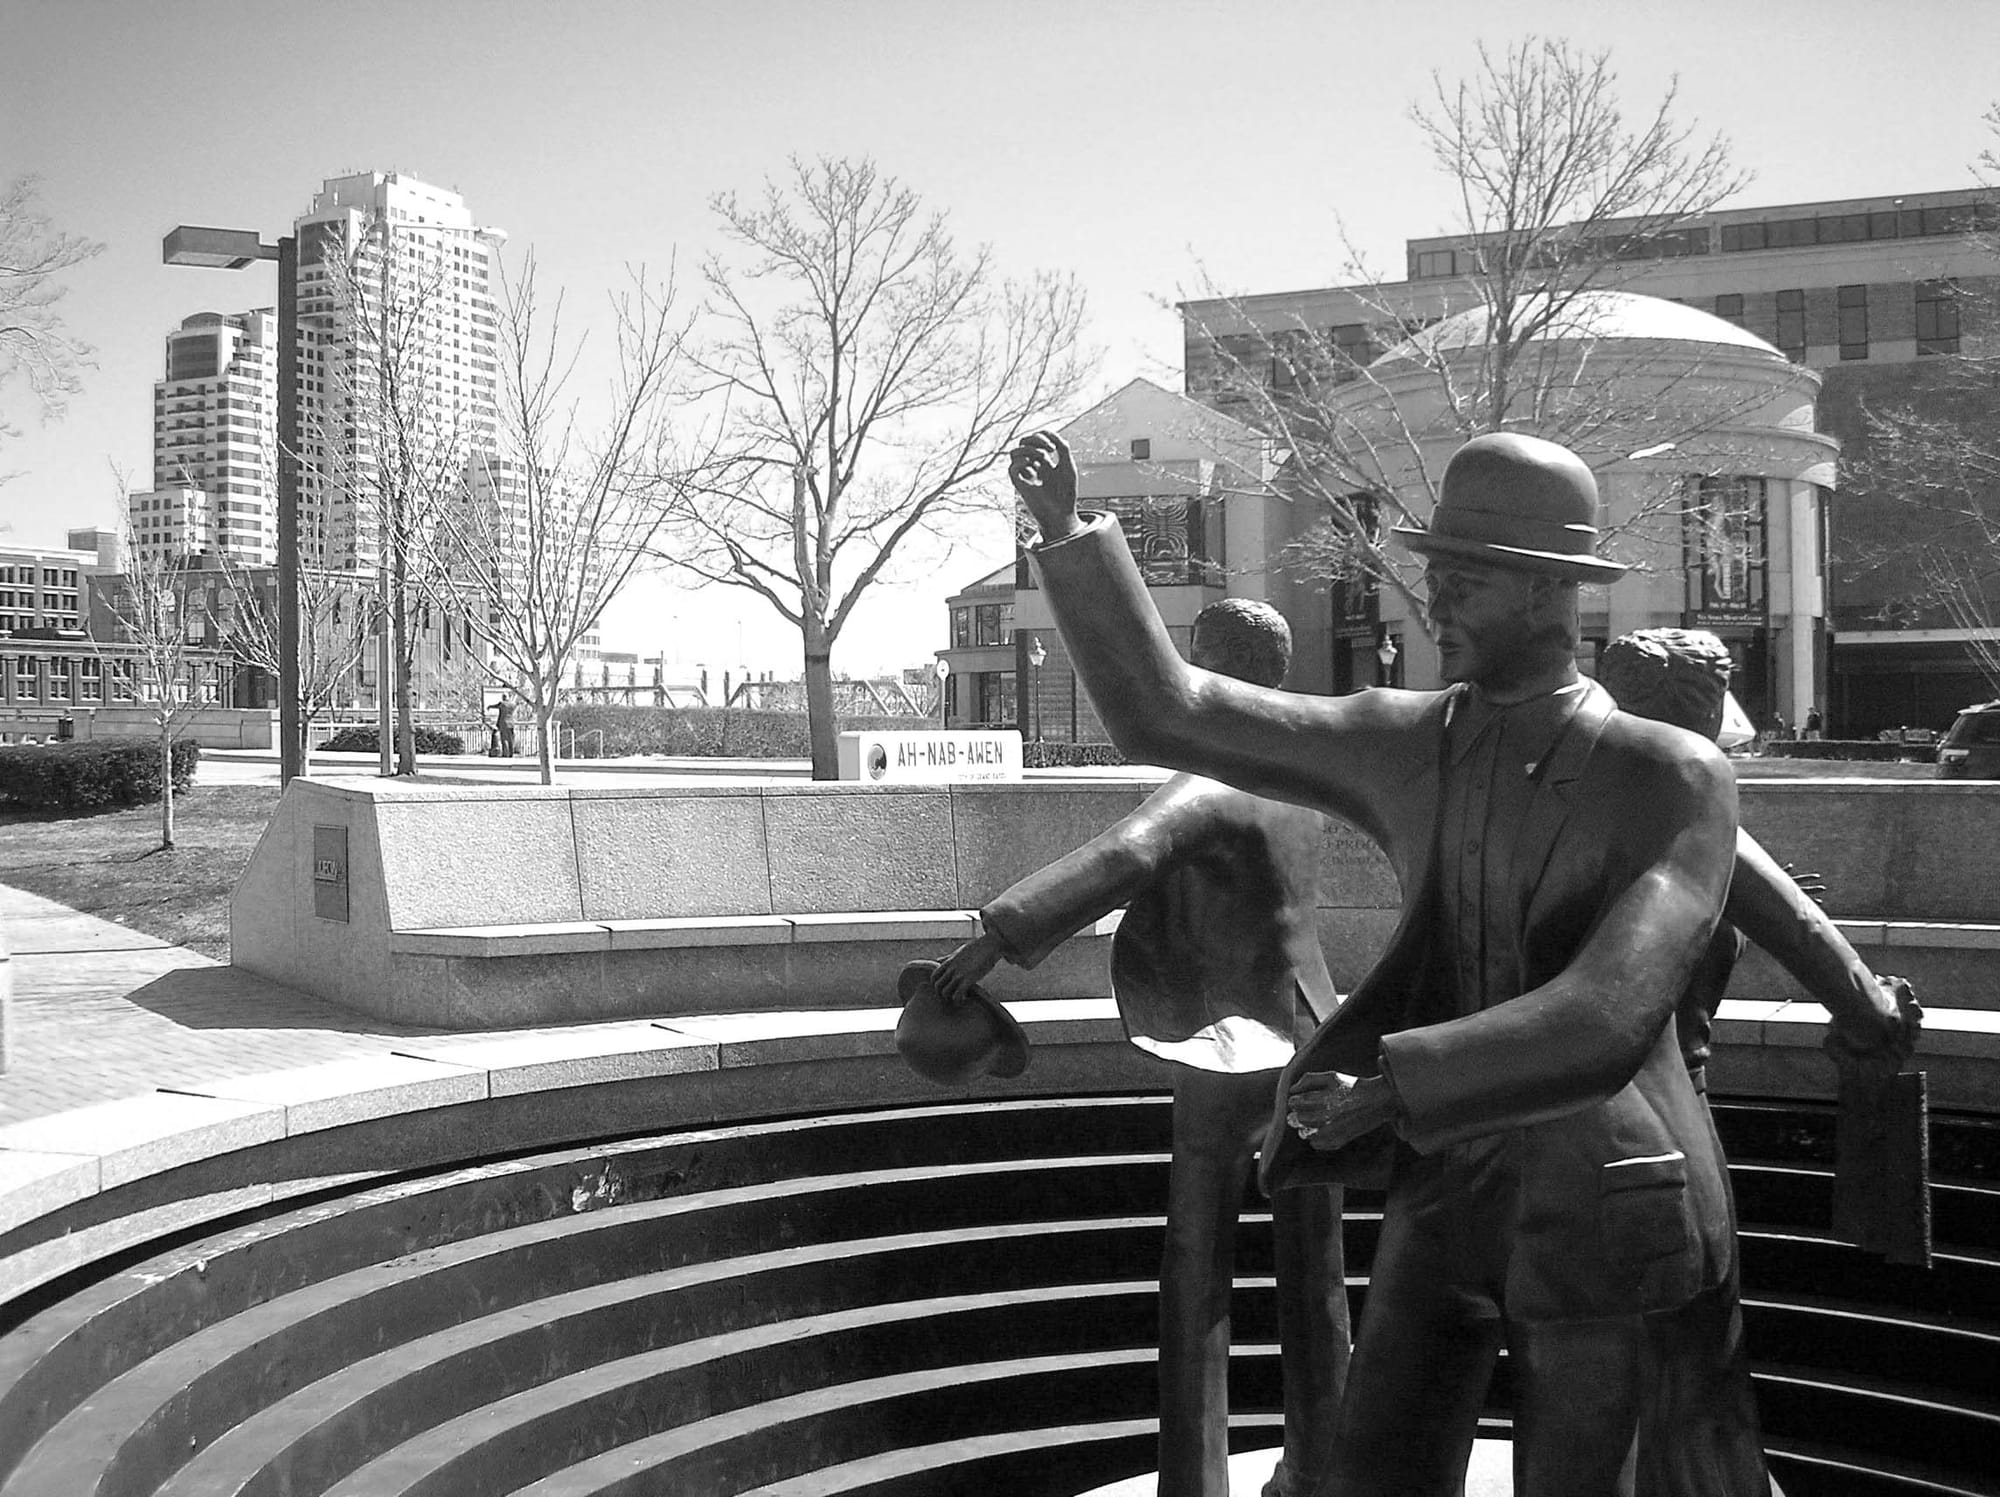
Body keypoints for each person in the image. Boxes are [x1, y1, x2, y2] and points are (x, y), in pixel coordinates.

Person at [1007, 427, 1911, 1497]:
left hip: (1605, 1189)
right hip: (1446, 1181)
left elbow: (1607, 1013)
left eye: (1462, 579)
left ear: (1544, 590)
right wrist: (1068, 535)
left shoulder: (1668, 774)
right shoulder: (1407, 738)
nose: (1432, 600)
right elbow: (1175, 711)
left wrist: (1388, 1089)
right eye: (1435, 573)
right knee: (1369, 1477)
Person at [933, 598, 1347, 1497]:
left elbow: (1122, 856)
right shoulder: (1301, 783)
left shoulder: (1209, 784)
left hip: (1229, 1047)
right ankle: (1323, 1467)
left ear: (1208, 671)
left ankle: (1193, 1481)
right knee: (1315, 1273)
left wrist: (996, 938)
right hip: (1311, 1038)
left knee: (1196, 1266)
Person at [1598, 628, 1921, 1490]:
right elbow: (1834, 968)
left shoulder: (1555, 802)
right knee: (1696, 1354)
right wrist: (1879, 1017)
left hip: (1542, 1119)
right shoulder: (1688, 812)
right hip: (1667, 1125)